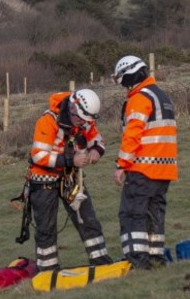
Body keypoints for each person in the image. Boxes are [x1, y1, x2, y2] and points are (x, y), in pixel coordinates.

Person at [28, 89, 113, 271]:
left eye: (87, 120)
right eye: (81, 119)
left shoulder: (85, 119)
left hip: (71, 177)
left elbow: (98, 140)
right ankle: (48, 270)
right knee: (46, 227)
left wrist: (96, 150)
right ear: (73, 108)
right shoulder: (47, 121)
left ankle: (101, 262)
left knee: (88, 219)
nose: (84, 124)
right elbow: (38, 156)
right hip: (43, 178)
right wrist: (70, 160)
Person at [113, 55, 177, 269]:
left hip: (143, 168)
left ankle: (137, 260)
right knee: (155, 213)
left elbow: (133, 134)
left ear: (129, 76)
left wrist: (121, 165)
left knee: (133, 214)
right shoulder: (162, 96)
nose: (123, 87)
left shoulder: (139, 98)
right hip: (165, 169)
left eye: (122, 81)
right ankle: (155, 257)